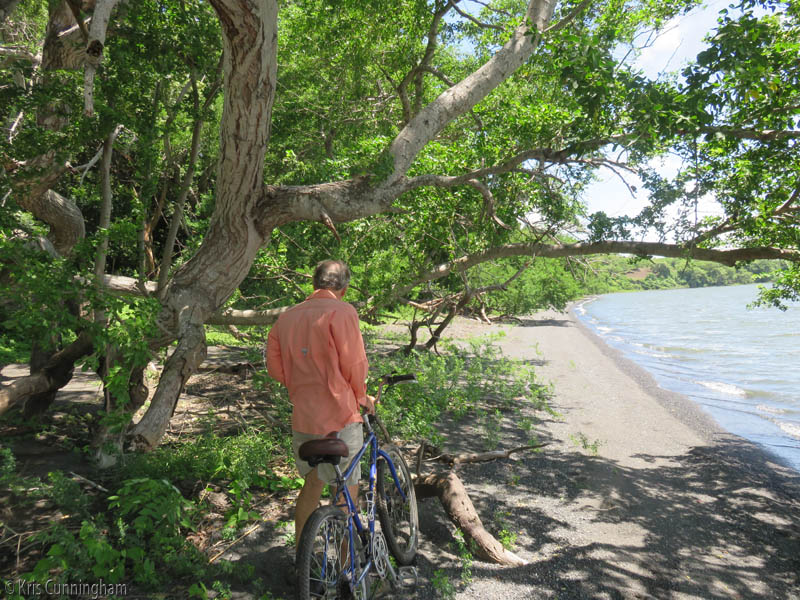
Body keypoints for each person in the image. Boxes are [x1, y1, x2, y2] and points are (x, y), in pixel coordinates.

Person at [265, 259, 374, 550]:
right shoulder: (343, 312)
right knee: (346, 490)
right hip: (341, 417)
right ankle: (346, 567)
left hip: (304, 418)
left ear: (314, 284)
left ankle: (301, 558)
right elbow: (355, 365)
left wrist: (303, 384)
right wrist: (362, 397)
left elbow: (275, 369)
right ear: (344, 289)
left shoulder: (286, 318)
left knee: (312, 485)